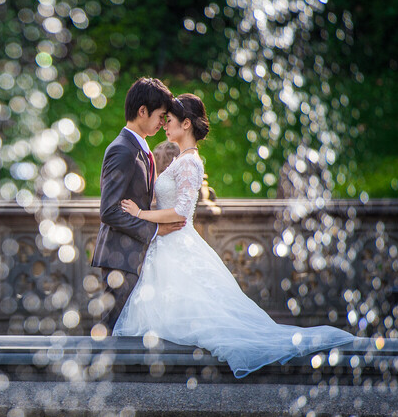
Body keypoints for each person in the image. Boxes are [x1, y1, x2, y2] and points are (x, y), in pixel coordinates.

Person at [114, 94, 356, 377]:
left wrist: (140, 214)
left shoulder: (190, 163)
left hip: (177, 242)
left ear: (187, 124)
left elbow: (180, 212)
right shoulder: (181, 160)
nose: (165, 126)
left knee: (197, 321)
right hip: (167, 244)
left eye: (170, 121)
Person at [91, 77, 185, 335]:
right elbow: (109, 211)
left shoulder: (140, 149)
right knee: (112, 331)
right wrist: (155, 231)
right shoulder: (122, 150)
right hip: (120, 257)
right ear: (142, 111)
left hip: (135, 255)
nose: (163, 123)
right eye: (161, 116)